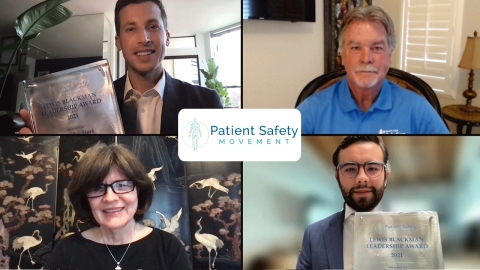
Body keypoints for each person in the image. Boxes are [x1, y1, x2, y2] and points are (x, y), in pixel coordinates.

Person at [19, 0, 222, 134]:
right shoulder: (91, 106)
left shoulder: (206, 103)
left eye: (153, 26)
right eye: (131, 29)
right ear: (118, 42)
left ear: (167, 37)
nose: (144, 39)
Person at [296, 6, 449, 134]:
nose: (366, 58)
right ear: (342, 56)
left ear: (389, 55)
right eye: (355, 48)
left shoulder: (417, 109)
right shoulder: (312, 109)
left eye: (377, 48)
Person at [44, 142, 192, 269]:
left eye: (122, 185)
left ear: (139, 191)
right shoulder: (66, 250)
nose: (110, 198)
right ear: (85, 199)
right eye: (97, 187)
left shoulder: (168, 247)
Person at [296, 136, 389, 270]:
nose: (361, 178)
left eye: (372, 168)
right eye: (350, 169)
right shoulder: (313, 234)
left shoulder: (412, 232)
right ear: (338, 177)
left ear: (386, 177)